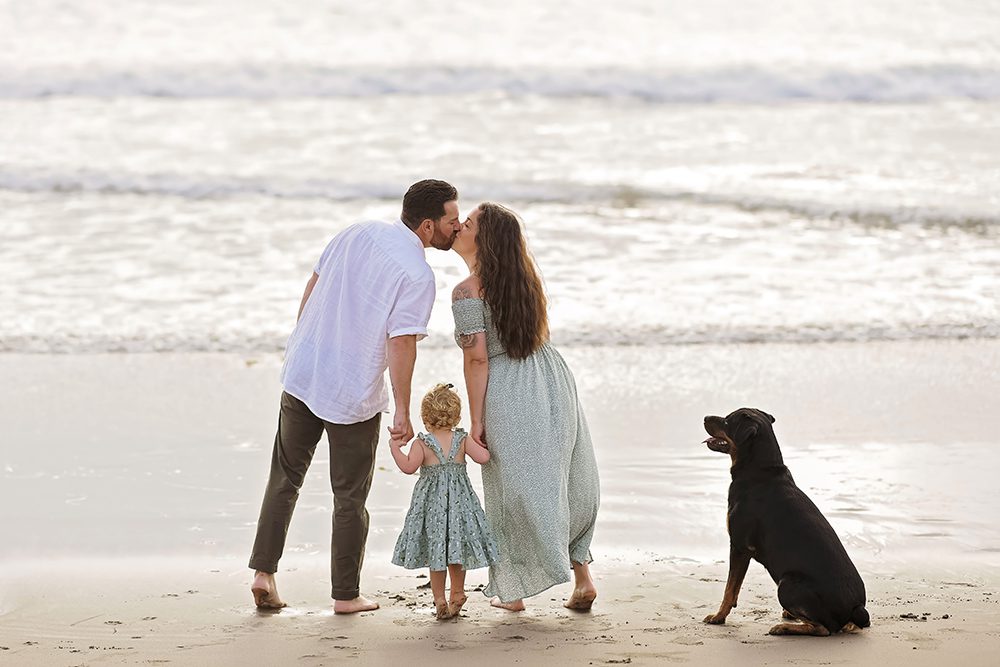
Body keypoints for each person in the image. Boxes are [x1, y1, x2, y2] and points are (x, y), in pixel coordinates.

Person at [248, 179, 461, 614]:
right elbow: (401, 343)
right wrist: (402, 410)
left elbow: (314, 285)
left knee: (285, 478)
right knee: (349, 497)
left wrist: (301, 342)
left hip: (304, 373)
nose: (456, 229)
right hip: (352, 394)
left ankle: (263, 574)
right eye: (451, 221)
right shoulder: (417, 274)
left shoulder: (358, 231)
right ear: (426, 226)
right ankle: (345, 595)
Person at [449, 202, 600, 611]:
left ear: (485, 239)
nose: (460, 225)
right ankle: (582, 577)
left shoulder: (467, 291)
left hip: (510, 389)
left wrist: (476, 420)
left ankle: (513, 592)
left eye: (470, 222)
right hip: (552, 379)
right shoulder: (527, 281)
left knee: (510, 489)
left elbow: (477, 359)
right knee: (565, 476)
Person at [389, 383, 498, 619]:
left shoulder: (423, 443)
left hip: (432, 508)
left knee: (437, 551)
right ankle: (457, 593)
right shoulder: (462, 439)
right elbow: (484, 457)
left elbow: (408, 467)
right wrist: (485, 439)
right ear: (457, 415)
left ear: (426, 416)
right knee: (456, 549)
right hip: (460, 506)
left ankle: (439, 599)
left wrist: (394, 447)